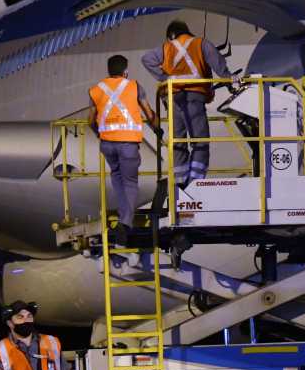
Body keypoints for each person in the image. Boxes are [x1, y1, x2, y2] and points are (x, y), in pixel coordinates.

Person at [142, 19, 240, 189]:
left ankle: (180, 184)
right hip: (194, 97)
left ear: (171, 35)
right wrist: (230, 80)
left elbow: (147, 59)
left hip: (173, 99)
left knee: (178, 141)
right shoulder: (200, 43)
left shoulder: (167, 47)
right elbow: (218, 64)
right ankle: (195, 183)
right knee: (200, 141)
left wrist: (165, 78)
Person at [88, 54, 160, 245]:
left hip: (107, 144)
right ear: (125, 70)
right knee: (130, 182)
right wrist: (158, 130)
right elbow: (149, 113)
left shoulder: (96, 90)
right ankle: (125, 222)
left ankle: (123, 215)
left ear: (109, 70)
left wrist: (99, 134)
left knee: (117, 178)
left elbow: (90, 120)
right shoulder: (134, 86)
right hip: (128, 143)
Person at [0, 301, 71, 370]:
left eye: (29, 316)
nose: (26, 320)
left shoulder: (52, 342)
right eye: (20, 317)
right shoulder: (0, 349)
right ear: (10, 323)